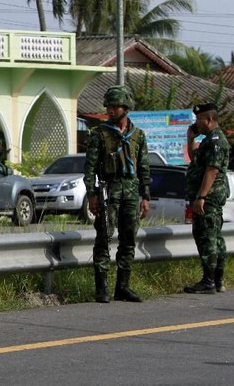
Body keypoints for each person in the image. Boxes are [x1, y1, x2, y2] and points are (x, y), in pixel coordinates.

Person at [84, 85, 151, 304]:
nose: (110, 110)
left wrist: (146, 196)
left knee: (129, 237)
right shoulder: (100, 134)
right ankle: (101, 288)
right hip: (109, 188)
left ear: (126, 107)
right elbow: (90, 168)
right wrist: (92, 194)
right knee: (104, 236)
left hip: (131, 189)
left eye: (115, 106)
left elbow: (144, 168)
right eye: (108, 106)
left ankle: (123, 287)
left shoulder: (138, 136)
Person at [184, 103, 230, 294]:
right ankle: (217, 281)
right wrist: (190, 139)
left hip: (208, 198)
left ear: (209, 120)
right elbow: (196, 159)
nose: (197, 124)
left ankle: (209, 281)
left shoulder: (216, 141)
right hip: (208, 198)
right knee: (215, 238)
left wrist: (201, 197)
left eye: (199, 120)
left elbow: (212, 170)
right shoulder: (209, 140)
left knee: (207, 237)